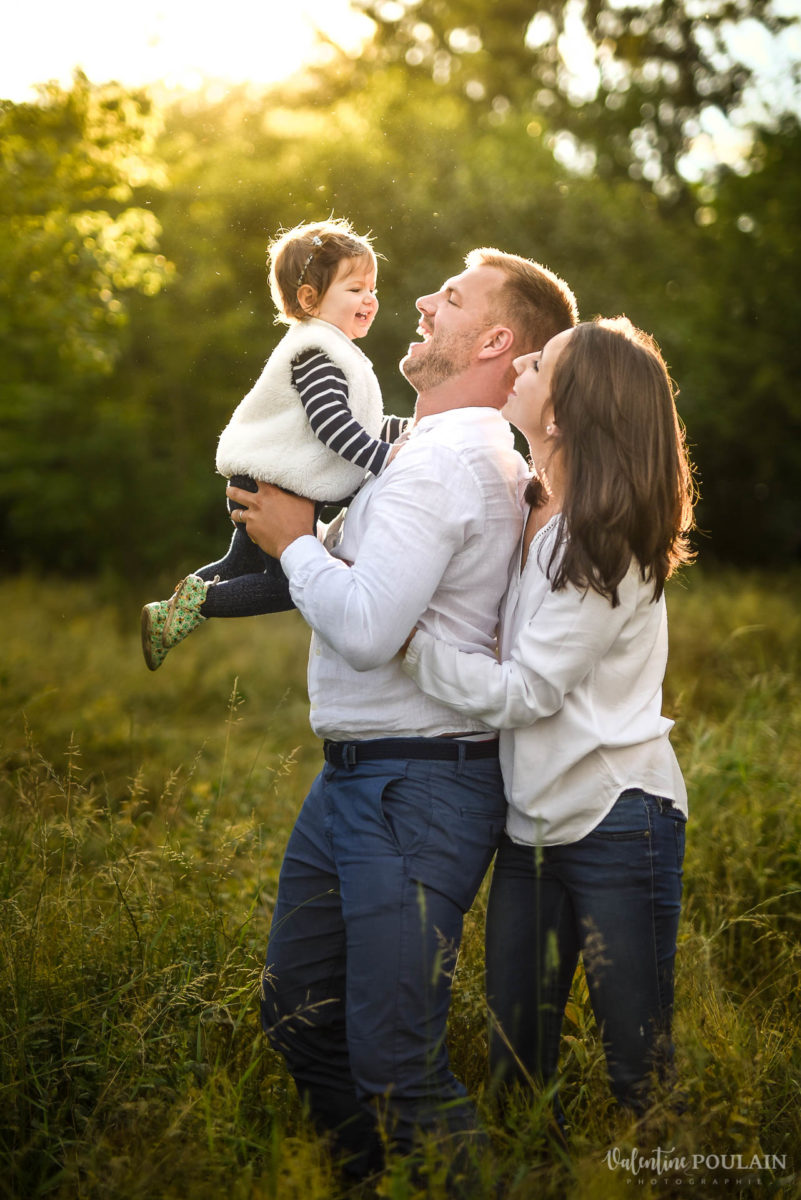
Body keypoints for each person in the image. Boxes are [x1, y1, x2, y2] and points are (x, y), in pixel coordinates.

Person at [226, 249, 578, 1179]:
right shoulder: (412, 452)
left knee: (395, 1063)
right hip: (355, 779)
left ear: (494, 341)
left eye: (449, 298)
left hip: (414, 790)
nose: (419, 301)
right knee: (300, 1019)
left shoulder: (445, 466)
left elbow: (368, 630)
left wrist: (294, 543)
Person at [402, 317, 697, 1123]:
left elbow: (524, 691)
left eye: (538, 363)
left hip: (614, 817)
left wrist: (403, 643)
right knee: (514, 1067)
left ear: (561, 415)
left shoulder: (605, 546)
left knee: (637, 1067)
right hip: (528, 825)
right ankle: (538, 1172)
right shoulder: (524, 505)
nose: (520, 363)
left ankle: (675, 1172)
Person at [140, 217, 408, 670]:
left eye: (372, 288)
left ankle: (167, 614)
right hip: (274, 484)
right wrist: (384, 458)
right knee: (286, 587)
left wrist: (414, 429)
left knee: (239, 566)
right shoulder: (317, 353)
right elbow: (332, 426)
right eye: (356, 289)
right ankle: (196, 606)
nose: (370, 298)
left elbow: (364, 422)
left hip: (264, 477)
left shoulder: (328, 347)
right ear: (309, 299)